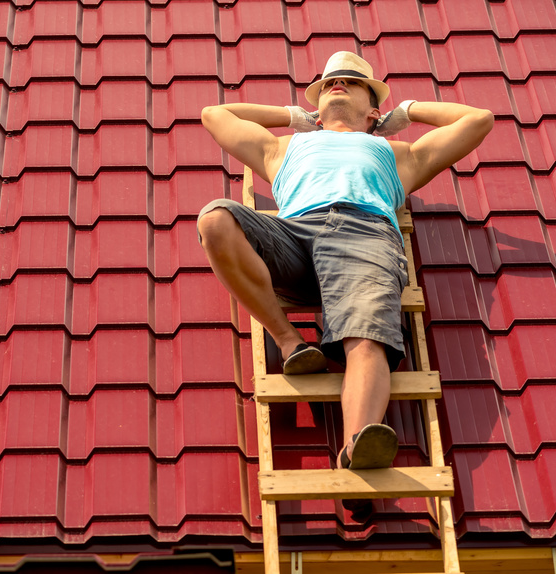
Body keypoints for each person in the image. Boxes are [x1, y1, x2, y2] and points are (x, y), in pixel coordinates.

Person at [197, 51, 493, 506]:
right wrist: (292, 116)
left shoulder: (399, 154)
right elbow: (214, 114)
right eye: (328, 81)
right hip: (293, 236)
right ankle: (290, 340)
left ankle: (357, 448)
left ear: (374, 109)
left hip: (364, 237)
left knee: (368, 337)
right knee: (216, 219)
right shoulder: (282, 147)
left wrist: (407, 112)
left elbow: (479, 120)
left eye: (351, 82)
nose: (336, 84)